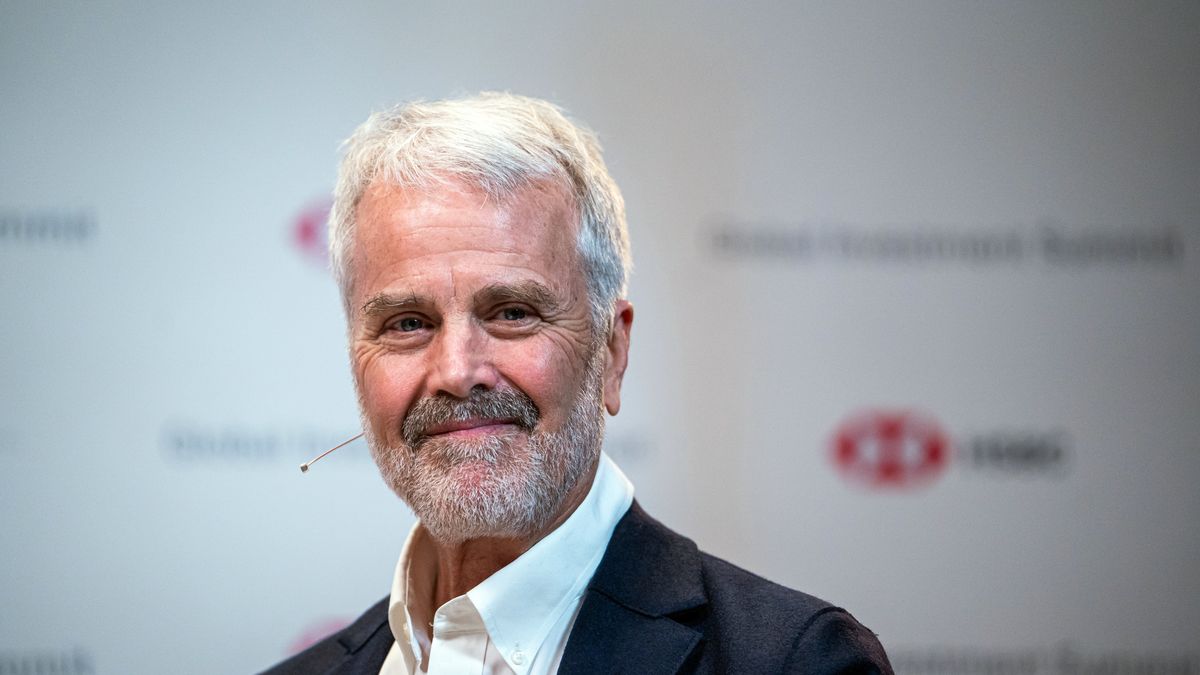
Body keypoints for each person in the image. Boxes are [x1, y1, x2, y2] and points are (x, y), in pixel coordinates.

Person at [262, 92, 892, 675]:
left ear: (612, 351)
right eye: (407, 323)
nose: (456, 372)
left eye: (512, 313)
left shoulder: (796, 661)